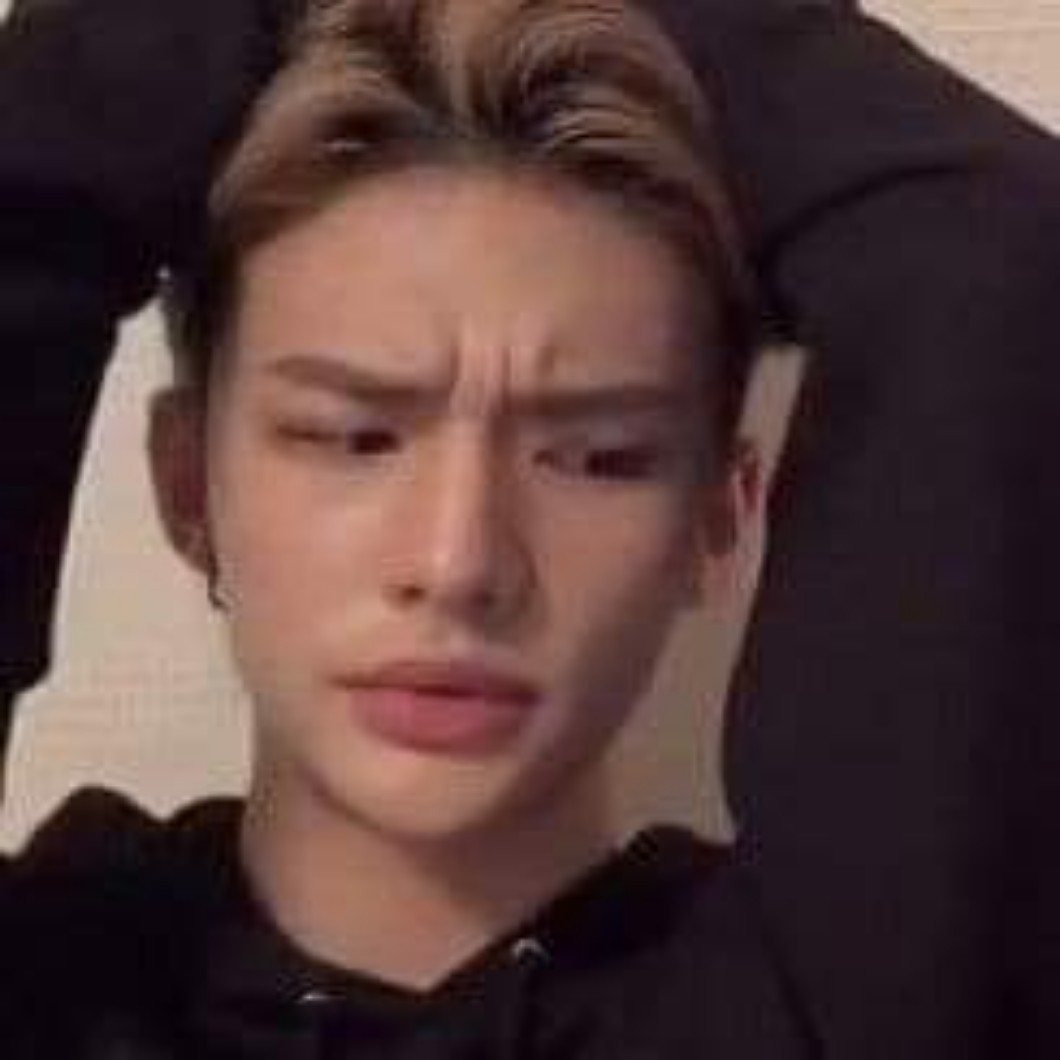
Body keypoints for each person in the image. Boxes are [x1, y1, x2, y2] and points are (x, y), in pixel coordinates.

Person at [1, 0, 1058, 1057]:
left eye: (598, 458)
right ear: (188, 483)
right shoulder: (49, 996)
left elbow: (992, 244)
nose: (459, 563)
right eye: (355, 437)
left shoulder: (853, 1005)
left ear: (717, 514)